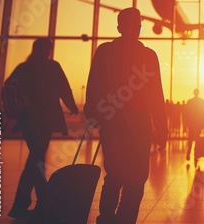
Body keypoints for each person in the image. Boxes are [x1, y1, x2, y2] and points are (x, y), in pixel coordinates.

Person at [84, 8, 168, 224]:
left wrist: (93, 113)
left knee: (114, 176)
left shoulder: (104, 52)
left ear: (119, 27)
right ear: (137, 27)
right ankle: (124, 219)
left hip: (112, 124)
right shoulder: (148, 56)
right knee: (137, 178)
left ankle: (107, 218)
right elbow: (156, 94)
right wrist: (161, 126)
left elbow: (94, 85)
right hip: (139, 126)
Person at [7, 38, 79, 222]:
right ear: (47, 50)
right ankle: (39, 203)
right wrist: (72, 106)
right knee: (37, 160)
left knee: (36, 159)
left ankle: (28, 204)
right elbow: (64, 88)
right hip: (45, 121)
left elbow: (9, 87)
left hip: (28, 121)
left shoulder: (24, 68)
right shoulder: (52, 67)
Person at [184, 89, 204, 162]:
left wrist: (185, 122)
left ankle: (188, 153)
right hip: (199, 122)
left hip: (191, 122)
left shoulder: (189, 102)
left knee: (190, 138)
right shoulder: (202, 102)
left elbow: (186, 113)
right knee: (198, 138)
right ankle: (196, 153)